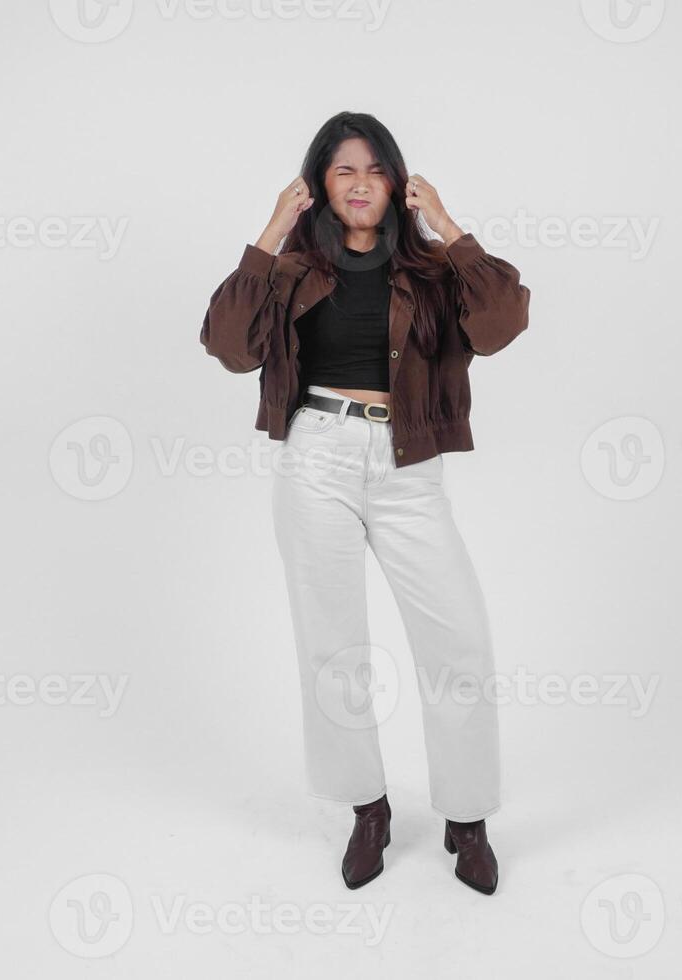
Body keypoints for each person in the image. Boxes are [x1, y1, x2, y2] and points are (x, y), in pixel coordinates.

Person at [200, 111, 531, 895]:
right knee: (333, 651)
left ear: (396, 181)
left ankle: (467, 817)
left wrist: (447, 224)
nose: (358, 184)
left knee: (459, 645)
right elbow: (226, 345)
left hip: (408, 463)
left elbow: (504, 320)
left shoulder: (431, 271)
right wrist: (272, 228)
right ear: (320, 182)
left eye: (373, 169)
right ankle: (368, 809)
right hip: (315, 456)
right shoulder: (290, 268)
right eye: (342, 169)